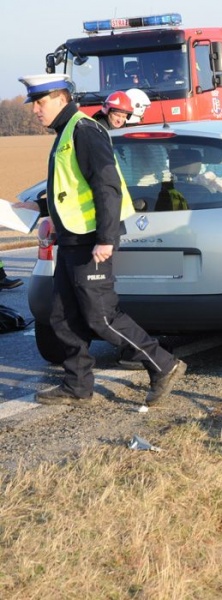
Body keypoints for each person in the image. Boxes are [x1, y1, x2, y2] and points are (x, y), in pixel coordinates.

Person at [16, 74, 186, 408]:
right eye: (34, 103)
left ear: (62, 99)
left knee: (101, 316)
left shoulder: (84, 131)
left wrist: (106, 238)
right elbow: (72, 190)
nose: (36, 110)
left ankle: (163, 365)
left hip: (92, 240)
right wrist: (39, 208)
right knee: (63, 316)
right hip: (72, 240)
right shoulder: (66, 133)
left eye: (41, 102)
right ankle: (78, 385)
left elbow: (107, 187)